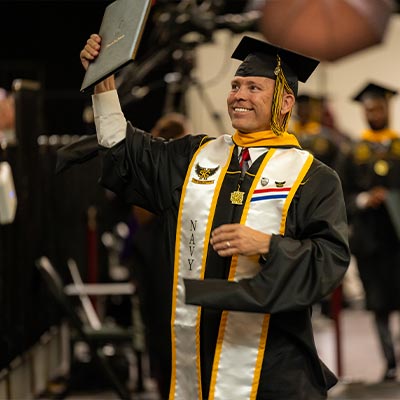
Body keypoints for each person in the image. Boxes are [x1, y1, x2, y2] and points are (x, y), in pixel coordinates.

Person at [78, 33, 350, 399]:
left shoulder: (313, 178)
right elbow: (130, 155)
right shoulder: (197, 157)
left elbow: (329, 261)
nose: (238, 94)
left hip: (273, 364)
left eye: (254, 87)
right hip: (197, 357)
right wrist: (103, 86)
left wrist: (268, 244)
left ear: (285, 101)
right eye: (235, 85)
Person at [337, 82, 400, 382]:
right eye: (369, 108)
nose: (373, 113)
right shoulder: (352, 153)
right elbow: (340, 197)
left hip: (398, 240)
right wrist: (364, 199)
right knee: (378, 304)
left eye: (378, 107)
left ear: (388, 108)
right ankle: (389, 363)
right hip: (370, 242)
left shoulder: (399, 147)